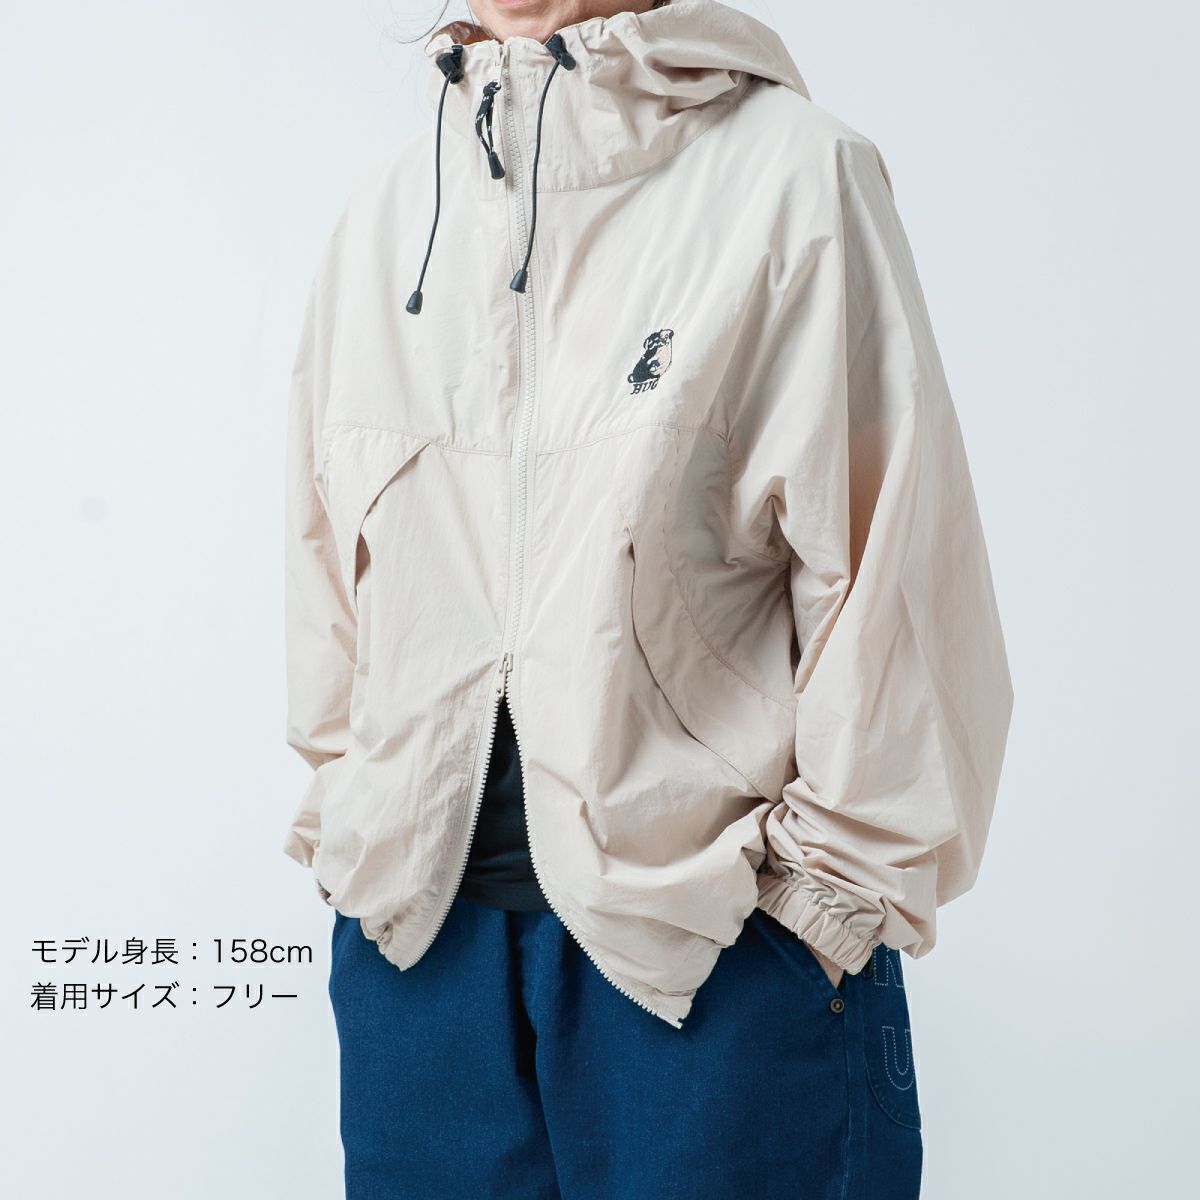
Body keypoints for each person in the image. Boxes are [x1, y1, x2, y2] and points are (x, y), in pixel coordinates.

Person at [281, 0, 1014, 1195]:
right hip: (420, 979)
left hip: (715, 968)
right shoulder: (388, 217)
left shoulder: (797, 178)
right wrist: (348, 837)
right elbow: (328, 580)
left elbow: (898, 576)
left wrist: (821, 916)